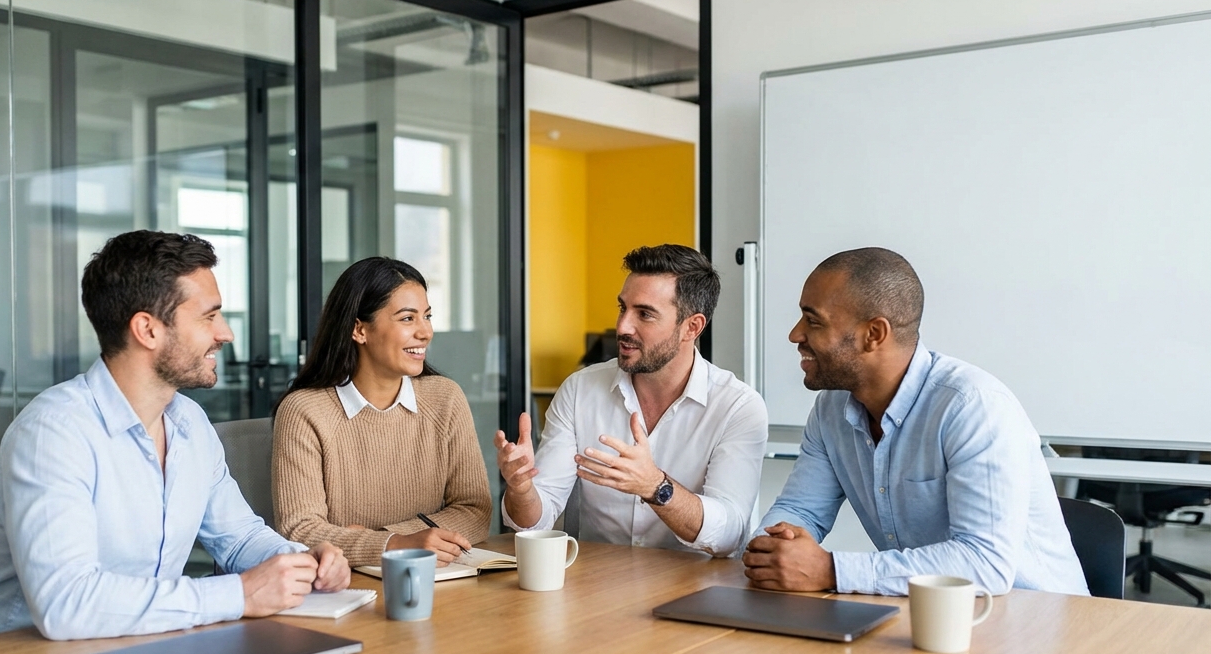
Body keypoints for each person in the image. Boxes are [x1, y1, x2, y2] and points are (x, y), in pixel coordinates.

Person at [0, 231, 350, 641]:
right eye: (208, 316)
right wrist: (239, 594)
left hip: (141, 650)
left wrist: (301, 562)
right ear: (147, 330)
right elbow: (66, 604)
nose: (226, 334)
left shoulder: (190, 424)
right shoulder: (54, 433)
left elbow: (239, 539)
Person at [743, 247, 1088, 596]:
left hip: (1034, 626)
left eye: (813, 321)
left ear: (874, 334)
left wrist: (832, 571)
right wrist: (770, 553)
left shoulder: (973, 407)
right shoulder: (830, 409)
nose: (795, 334)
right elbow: (800, 510)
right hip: (929, 618)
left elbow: (985, 563)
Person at [497, 244, 768, 557]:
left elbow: (729, 534)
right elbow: (533, 522)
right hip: (598, 587)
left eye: (645, 314)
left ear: (691, 327)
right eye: (622, 308)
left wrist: (656, 486)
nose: (623, 326)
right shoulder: (579, 390)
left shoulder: (738, 407)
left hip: (694, 593)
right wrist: (521, 489)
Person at [272, 257, 491, 568]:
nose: (425, 332)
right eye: (407, 319)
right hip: (343, 588)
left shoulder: (445, 398)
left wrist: (391, 539)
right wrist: (399, 544)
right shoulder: (304, 411)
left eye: (427, 316)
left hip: (435, 579)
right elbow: (301, 530)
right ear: (359, 330)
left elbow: (474, 511)